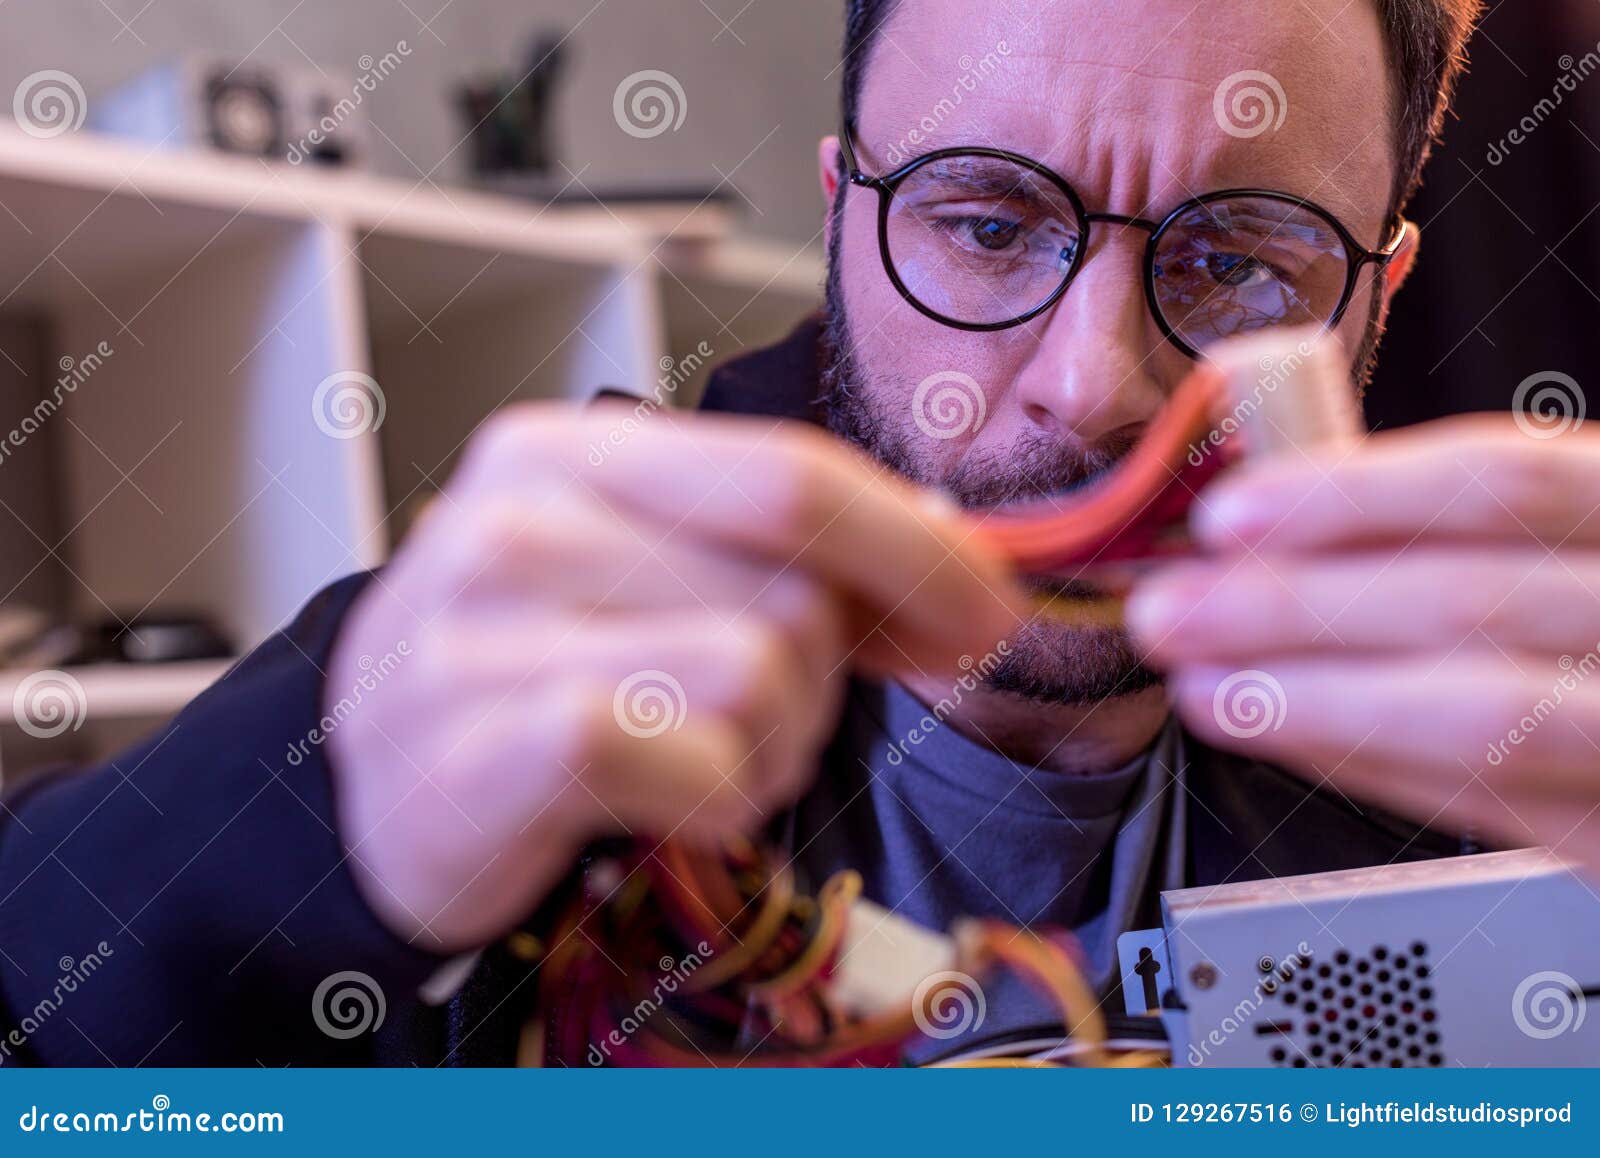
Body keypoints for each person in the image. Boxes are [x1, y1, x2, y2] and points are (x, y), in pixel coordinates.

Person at [8, 0, 1587, 1067]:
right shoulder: (530, 648)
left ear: (1376, 294)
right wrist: (315, 812)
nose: (1093, 388)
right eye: (986, 221)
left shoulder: (1504, 761)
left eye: (1241, 256)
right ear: (842, 216)